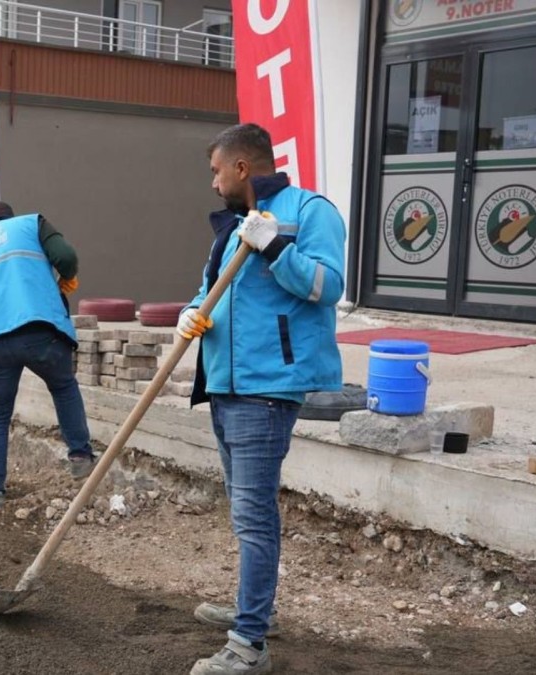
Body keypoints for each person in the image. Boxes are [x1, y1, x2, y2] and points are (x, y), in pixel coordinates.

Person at [179, 123, 344, 674]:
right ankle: (257, 609)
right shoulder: (231, 227)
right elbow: (213, 288)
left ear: (241, 168)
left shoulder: (309, 211)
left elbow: (326, 288)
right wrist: (192, 311)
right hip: (227, 383)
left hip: (268, 388)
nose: (212, 183)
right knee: (246, 511)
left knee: (253, 515)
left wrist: (274, 245)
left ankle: (248, 643)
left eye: (215, 171)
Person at [0, 200, 95, 515]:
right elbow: (66, 257)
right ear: (9, 217)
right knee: (62, 386)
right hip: (39, 328)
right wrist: (66, 278)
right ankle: (80, 457)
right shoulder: (31, 224)